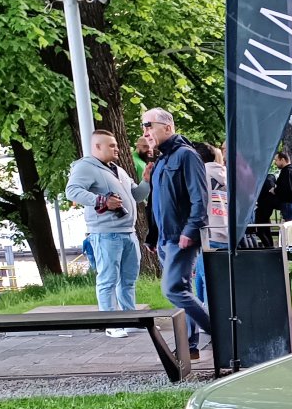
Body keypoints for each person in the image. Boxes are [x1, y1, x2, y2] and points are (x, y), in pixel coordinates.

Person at [143, 107, 212, 360]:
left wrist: (190, 230)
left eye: (149, 125)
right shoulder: (161, 159)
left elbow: (200, 197)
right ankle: (189, 347)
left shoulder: (186, 155)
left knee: (173, 289)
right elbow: (157, 202)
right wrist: (152, 236)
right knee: (183, 292)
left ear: (168, 127)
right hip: (164, 239)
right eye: (143, 126)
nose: (145, 131)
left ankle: (222, 333)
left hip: (181, 238)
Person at [66, 129, 149, 336]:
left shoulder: (118, 170)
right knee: (108, 279)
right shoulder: (85, 167)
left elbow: (137, 196)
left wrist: (147, 181)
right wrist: (101, 201)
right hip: (106, 233)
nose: (117, 148)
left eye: (116, 145)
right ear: (97, 147)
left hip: (128, 232)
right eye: (111, 145)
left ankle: (130, 320)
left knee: (128, 279)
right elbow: (72, 191)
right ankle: (111, 323)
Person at [194, 142, 230, 304]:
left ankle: (210, 320)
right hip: (227, 232)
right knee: (213, 278)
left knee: (206, 278)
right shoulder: (227, 175)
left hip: (207, 233)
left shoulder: (200, 175)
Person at [273, 150, 292, 223]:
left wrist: (274, 191)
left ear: (282, 159)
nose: (275, 163)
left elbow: (287, 189)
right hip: (291, 202)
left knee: (289, 225)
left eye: (276, 160)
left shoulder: (288, 172)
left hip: (289, 203)